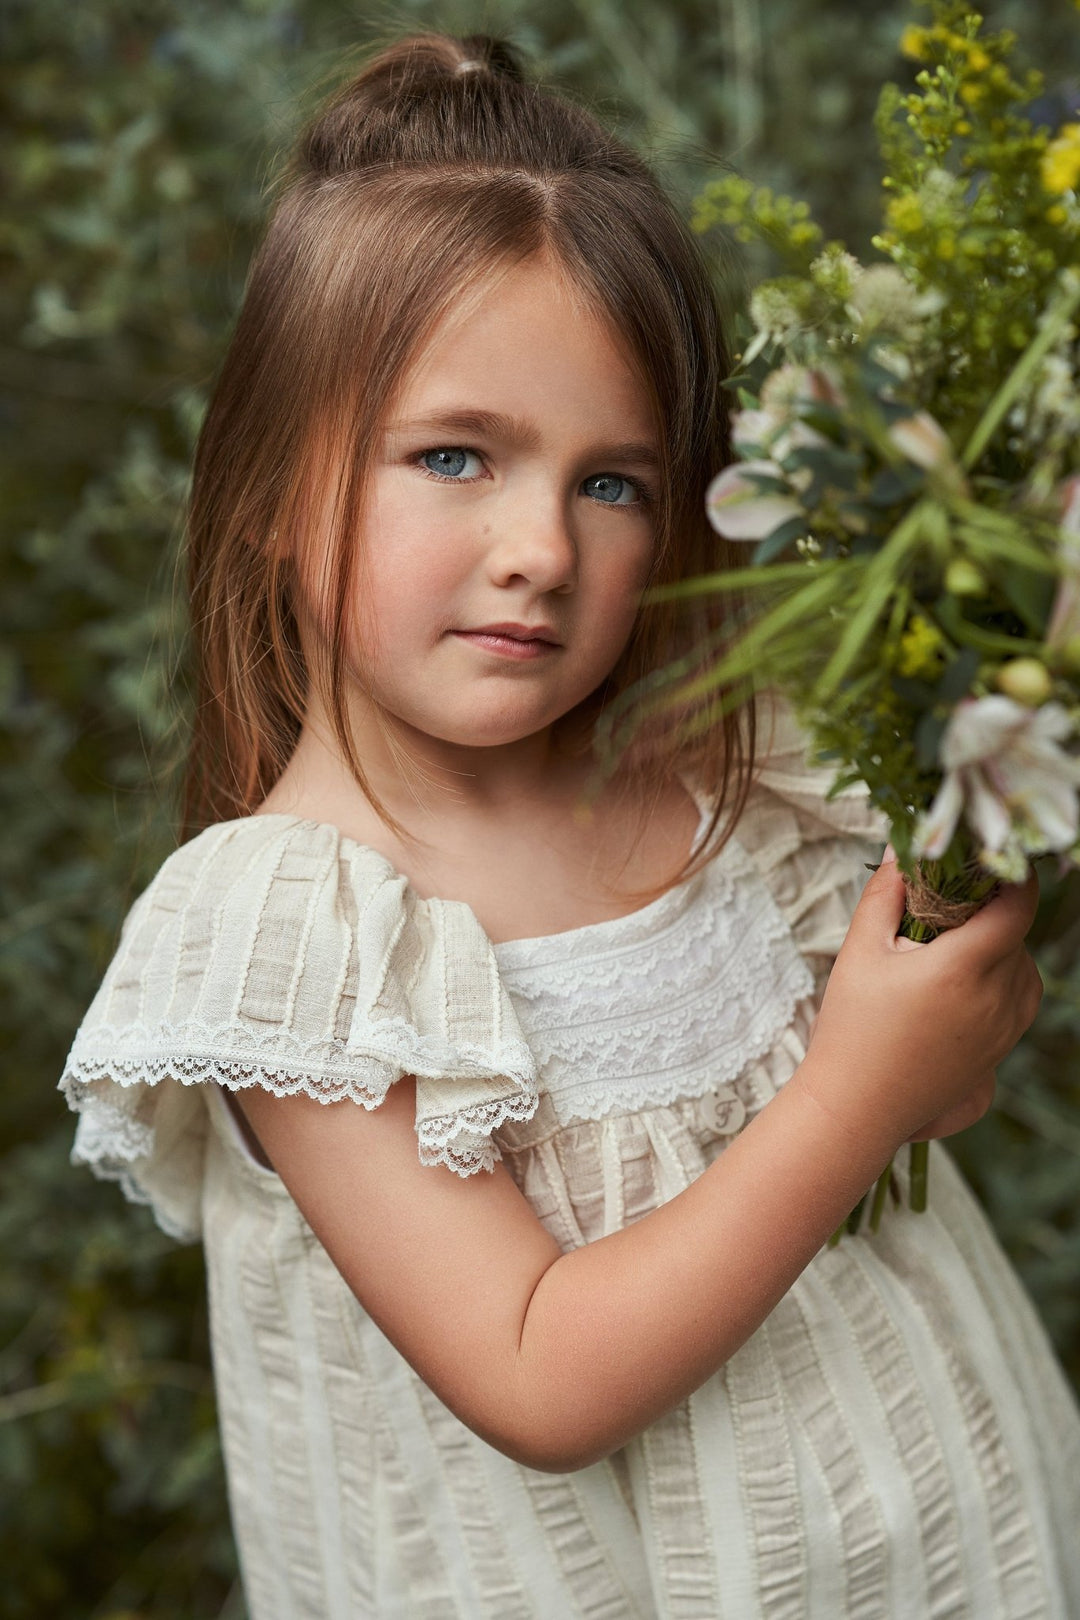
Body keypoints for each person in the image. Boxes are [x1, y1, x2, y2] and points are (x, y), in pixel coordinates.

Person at [58, 30, 1080, 1620]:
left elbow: (938, 1092)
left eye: (614, 483)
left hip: (953, 1541)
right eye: (454, 457)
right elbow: (539, 1380)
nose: (540, 545)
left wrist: (959, 978)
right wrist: (865, 1085)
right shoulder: (292, 926)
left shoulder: (723, 764)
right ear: (266, 486)